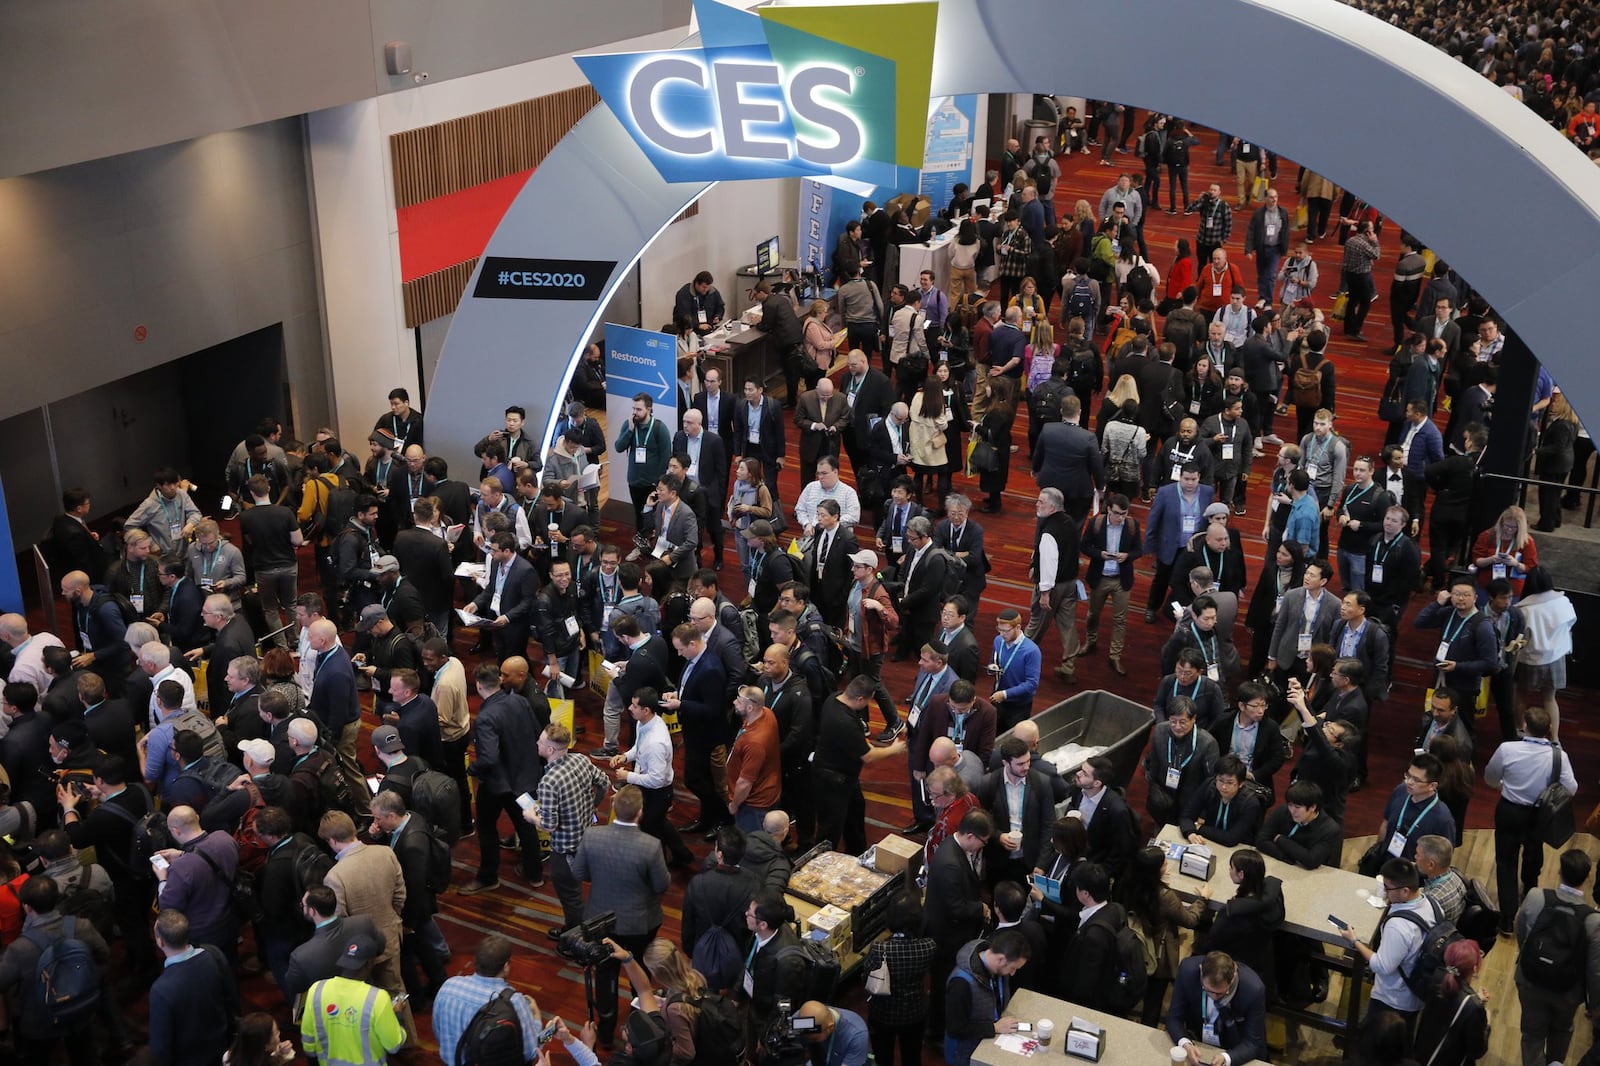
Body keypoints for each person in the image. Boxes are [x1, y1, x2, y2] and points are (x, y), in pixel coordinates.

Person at [572, 784, 669, 1047]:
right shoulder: (651, 845)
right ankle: (642, 1025)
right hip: (641, 922)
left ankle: (604, 1034)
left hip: (601, 920)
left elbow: (580, 873)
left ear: (614, 808)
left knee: (605, 976)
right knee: (639, 969)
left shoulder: (592, 836)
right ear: (640, 813)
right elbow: (662, 885)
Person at [1485, 706, 1578, 936]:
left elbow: (1490, 778)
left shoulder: (1507, 749)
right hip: (1539, 814)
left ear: (1524, 726)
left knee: (1506, 861)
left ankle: (1506, 918)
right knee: (1534, 850)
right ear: (1549, 729)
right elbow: (1571, 788)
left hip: (1508, 810)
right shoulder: (1559, 756)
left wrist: (1504, 785)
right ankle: (1529, 888)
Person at [1339, 858, 1441, 1050]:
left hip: (1393, 999)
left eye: (1388, 888)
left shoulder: (1399, 926)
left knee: (1377, 1049)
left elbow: (1382, 966)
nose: (1385, 893)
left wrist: (1354, 941)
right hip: (1416, 992)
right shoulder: (1431, 903)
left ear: (1404, 891)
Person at [1513, 848, 1600, 1066]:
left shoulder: (1535, 897)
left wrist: (1527, 956)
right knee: (1561, 1030)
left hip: (1530, 981)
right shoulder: (1593, 921)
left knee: (1532, 1035)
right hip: (1568, 991)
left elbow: (1520, 929)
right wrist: (1595, 1005)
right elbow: (1594, 969)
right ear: (1588, 877)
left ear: (1559, 871)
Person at [1120, 845, 1211, 1025]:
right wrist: (1202, 900)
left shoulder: (1125, 884)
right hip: (1158, 957)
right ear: (1156, 870)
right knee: (1153, 1002)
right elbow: (1190, 920)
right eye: (1164, 863)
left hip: (1131, 947)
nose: (1167, 864)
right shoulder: (1165, 897)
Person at [300, 928, 407, 1066]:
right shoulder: (377, 998)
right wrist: (397, 1017)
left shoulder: (316, 990)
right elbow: (394, 1045)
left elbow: (309, 1043)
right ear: (370, 963)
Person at [148, 908, 238, 1066]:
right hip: (222, 1046)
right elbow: (232, 999)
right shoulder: (213, 955)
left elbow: (161, 1048)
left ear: (160, 942)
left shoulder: (161, 990)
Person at [861, 891, 936, 1066]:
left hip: (882, 1014)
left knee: (883, 1057)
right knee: (912, 1057)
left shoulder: (879, 949)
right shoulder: (928, 947)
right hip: (914, 1014)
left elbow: (866, 978)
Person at [943, 928, 1031, 1066]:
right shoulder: (961, 983)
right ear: (1001, 959)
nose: (1013, 973)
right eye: (1013, 968)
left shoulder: (998, 969)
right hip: (963, 1054)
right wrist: (994, 1028)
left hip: (987, 1041)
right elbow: (956, 1029)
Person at [1165, 951, 1269, 1066]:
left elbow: (1253, 1042)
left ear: (1233, 978)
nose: (1214, 997)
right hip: (1199, 1044)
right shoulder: (1187, 971)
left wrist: (1226, 1058)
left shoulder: (1253, 990)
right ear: (1201, 970)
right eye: (1208, 990)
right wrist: (1185, 1043)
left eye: (1220, 994)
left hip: (1237, 1049)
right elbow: (1174, 1018)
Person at [1514, 566, 1577, 742]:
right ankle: (1555, 739)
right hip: (1555, 657)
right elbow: (1571, 622)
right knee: (1550, 698)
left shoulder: (1523, 609)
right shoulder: (1563, 601)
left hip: (1530, 658)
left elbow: (1520, 635)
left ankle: (1519, 729)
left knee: (1520, 693)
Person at [1411, 939, 1490, 1066]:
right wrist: (1487, 1024)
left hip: (1421, 1054)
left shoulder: (1437, 976)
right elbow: (1476, 1051)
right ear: (1475, 968)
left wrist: (1474, 999)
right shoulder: (1474, 1007)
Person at [1144, 697, 1219, 830]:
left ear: (1193, 719)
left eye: (1183, 722)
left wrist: (1203, 813)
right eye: (1173, 721)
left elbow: (1211, 781)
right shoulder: (1160, 731)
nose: (1177, 727)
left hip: (1190, 803)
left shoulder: (1207, 743)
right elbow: (1153, 763)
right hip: (1163, 797)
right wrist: (1153, 788)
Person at [1180, 755, 1263, 848]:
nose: (1223, 786)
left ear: (1241, 784)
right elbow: (1186, 816)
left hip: (1238, 847)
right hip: (1208, 840)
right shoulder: (1209, 786)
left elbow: (1231, 839)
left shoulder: (1250, 803)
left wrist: (1199, 827)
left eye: (1230, 783)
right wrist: (1190, 833)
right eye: (1220, 780)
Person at [988, 607, 1040, 733]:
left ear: (1017, 627)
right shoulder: (998, 641)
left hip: (1018, 705)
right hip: (997, 699)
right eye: (999, 630)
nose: (1002, 634)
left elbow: (1032, 683)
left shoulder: (1031, 651)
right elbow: (992, 662)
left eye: (1006, 631)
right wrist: (991, 669)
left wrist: (1005, 694)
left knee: (1013, 739)